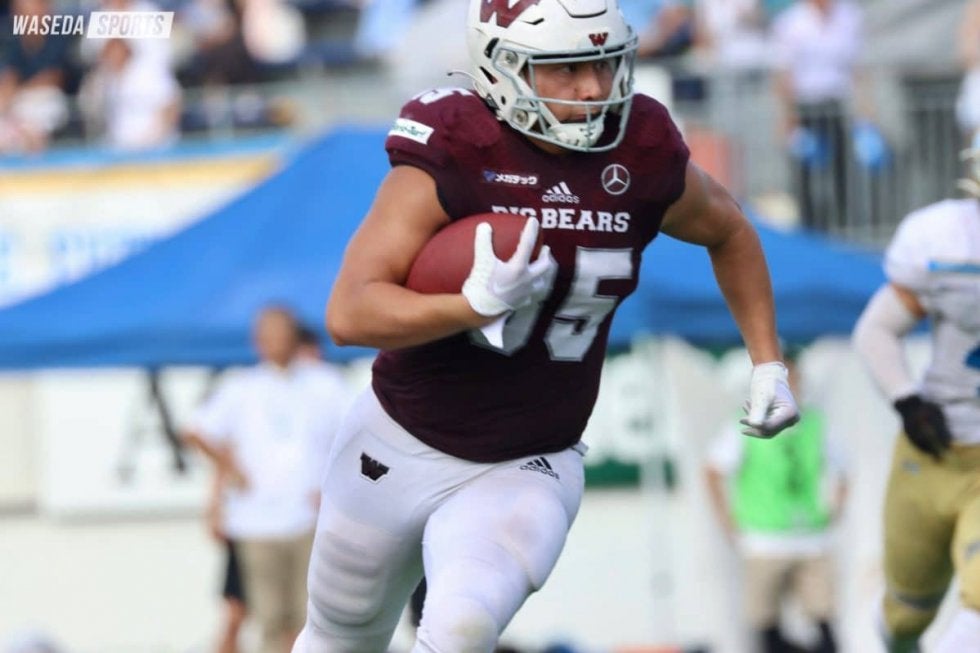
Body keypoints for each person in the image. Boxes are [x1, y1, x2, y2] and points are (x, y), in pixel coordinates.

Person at [292, 1, 800, 651]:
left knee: (461, 626)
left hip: (530, 458)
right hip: (398, 439)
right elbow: (350, 312)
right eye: (566, 68)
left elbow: (729, 228)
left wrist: (767, 361)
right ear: (501, 67)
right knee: (340, 635)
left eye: (603, 63)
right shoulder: (459, 144)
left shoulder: (640, 146)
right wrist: (469, 307)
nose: (592, 88)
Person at [851, 133, 980, 652]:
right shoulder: (945, 240)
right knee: (905, 615)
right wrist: (907, 400)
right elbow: (876, 329)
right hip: (935, 450)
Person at [184, 306, 350, 653]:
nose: (275, 342)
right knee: (270, 618)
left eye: (281, 334)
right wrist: (231, 469)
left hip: (310, 519)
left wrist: (336, 486)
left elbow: (356, 435)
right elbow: (197, 430)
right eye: (267, 336)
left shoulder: (324, 383)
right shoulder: (243, 387)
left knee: (314, 615)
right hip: (256, 521)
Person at [704, 351, 847, 653]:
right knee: (767, 628)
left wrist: (834, 511)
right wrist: (728, 522)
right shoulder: (745, 423)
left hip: (809, 536)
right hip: (763, 538)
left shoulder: (816, 423)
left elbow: (844, 470)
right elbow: (714, 469)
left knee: (824, 625)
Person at [770, 0, 864, 231]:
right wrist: (788, 116)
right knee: (804, 173)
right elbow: (784, 73)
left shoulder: (850, 15)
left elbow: (858, 67)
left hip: (836, 104)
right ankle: (808, 227)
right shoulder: (791, 22)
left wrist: (865, 109)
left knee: (842, 169)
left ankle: (843, 225)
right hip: (805, 107)